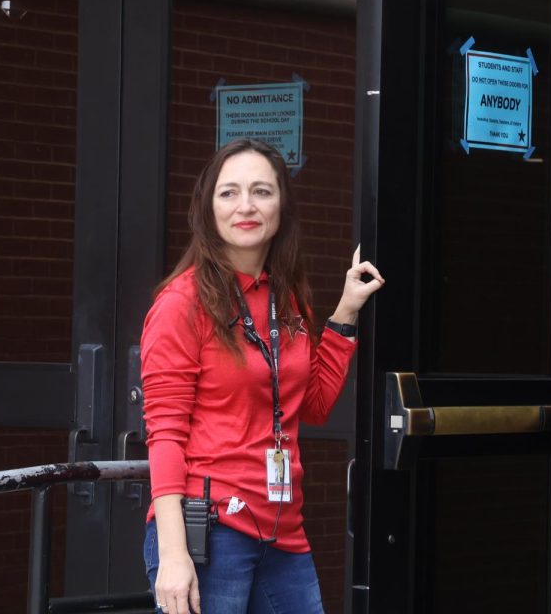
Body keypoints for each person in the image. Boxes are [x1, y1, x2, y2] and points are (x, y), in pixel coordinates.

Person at [140, 138, 384, 614]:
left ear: (281, 205)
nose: (246, 206)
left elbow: (309, 404)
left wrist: (346, 311)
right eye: (228, 193)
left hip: (282, 529)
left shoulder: (286, 298)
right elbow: (165, 434)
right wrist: (172, 554)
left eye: (261, 191)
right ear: (207, 209)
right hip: (210, 534)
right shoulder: (180, 304)